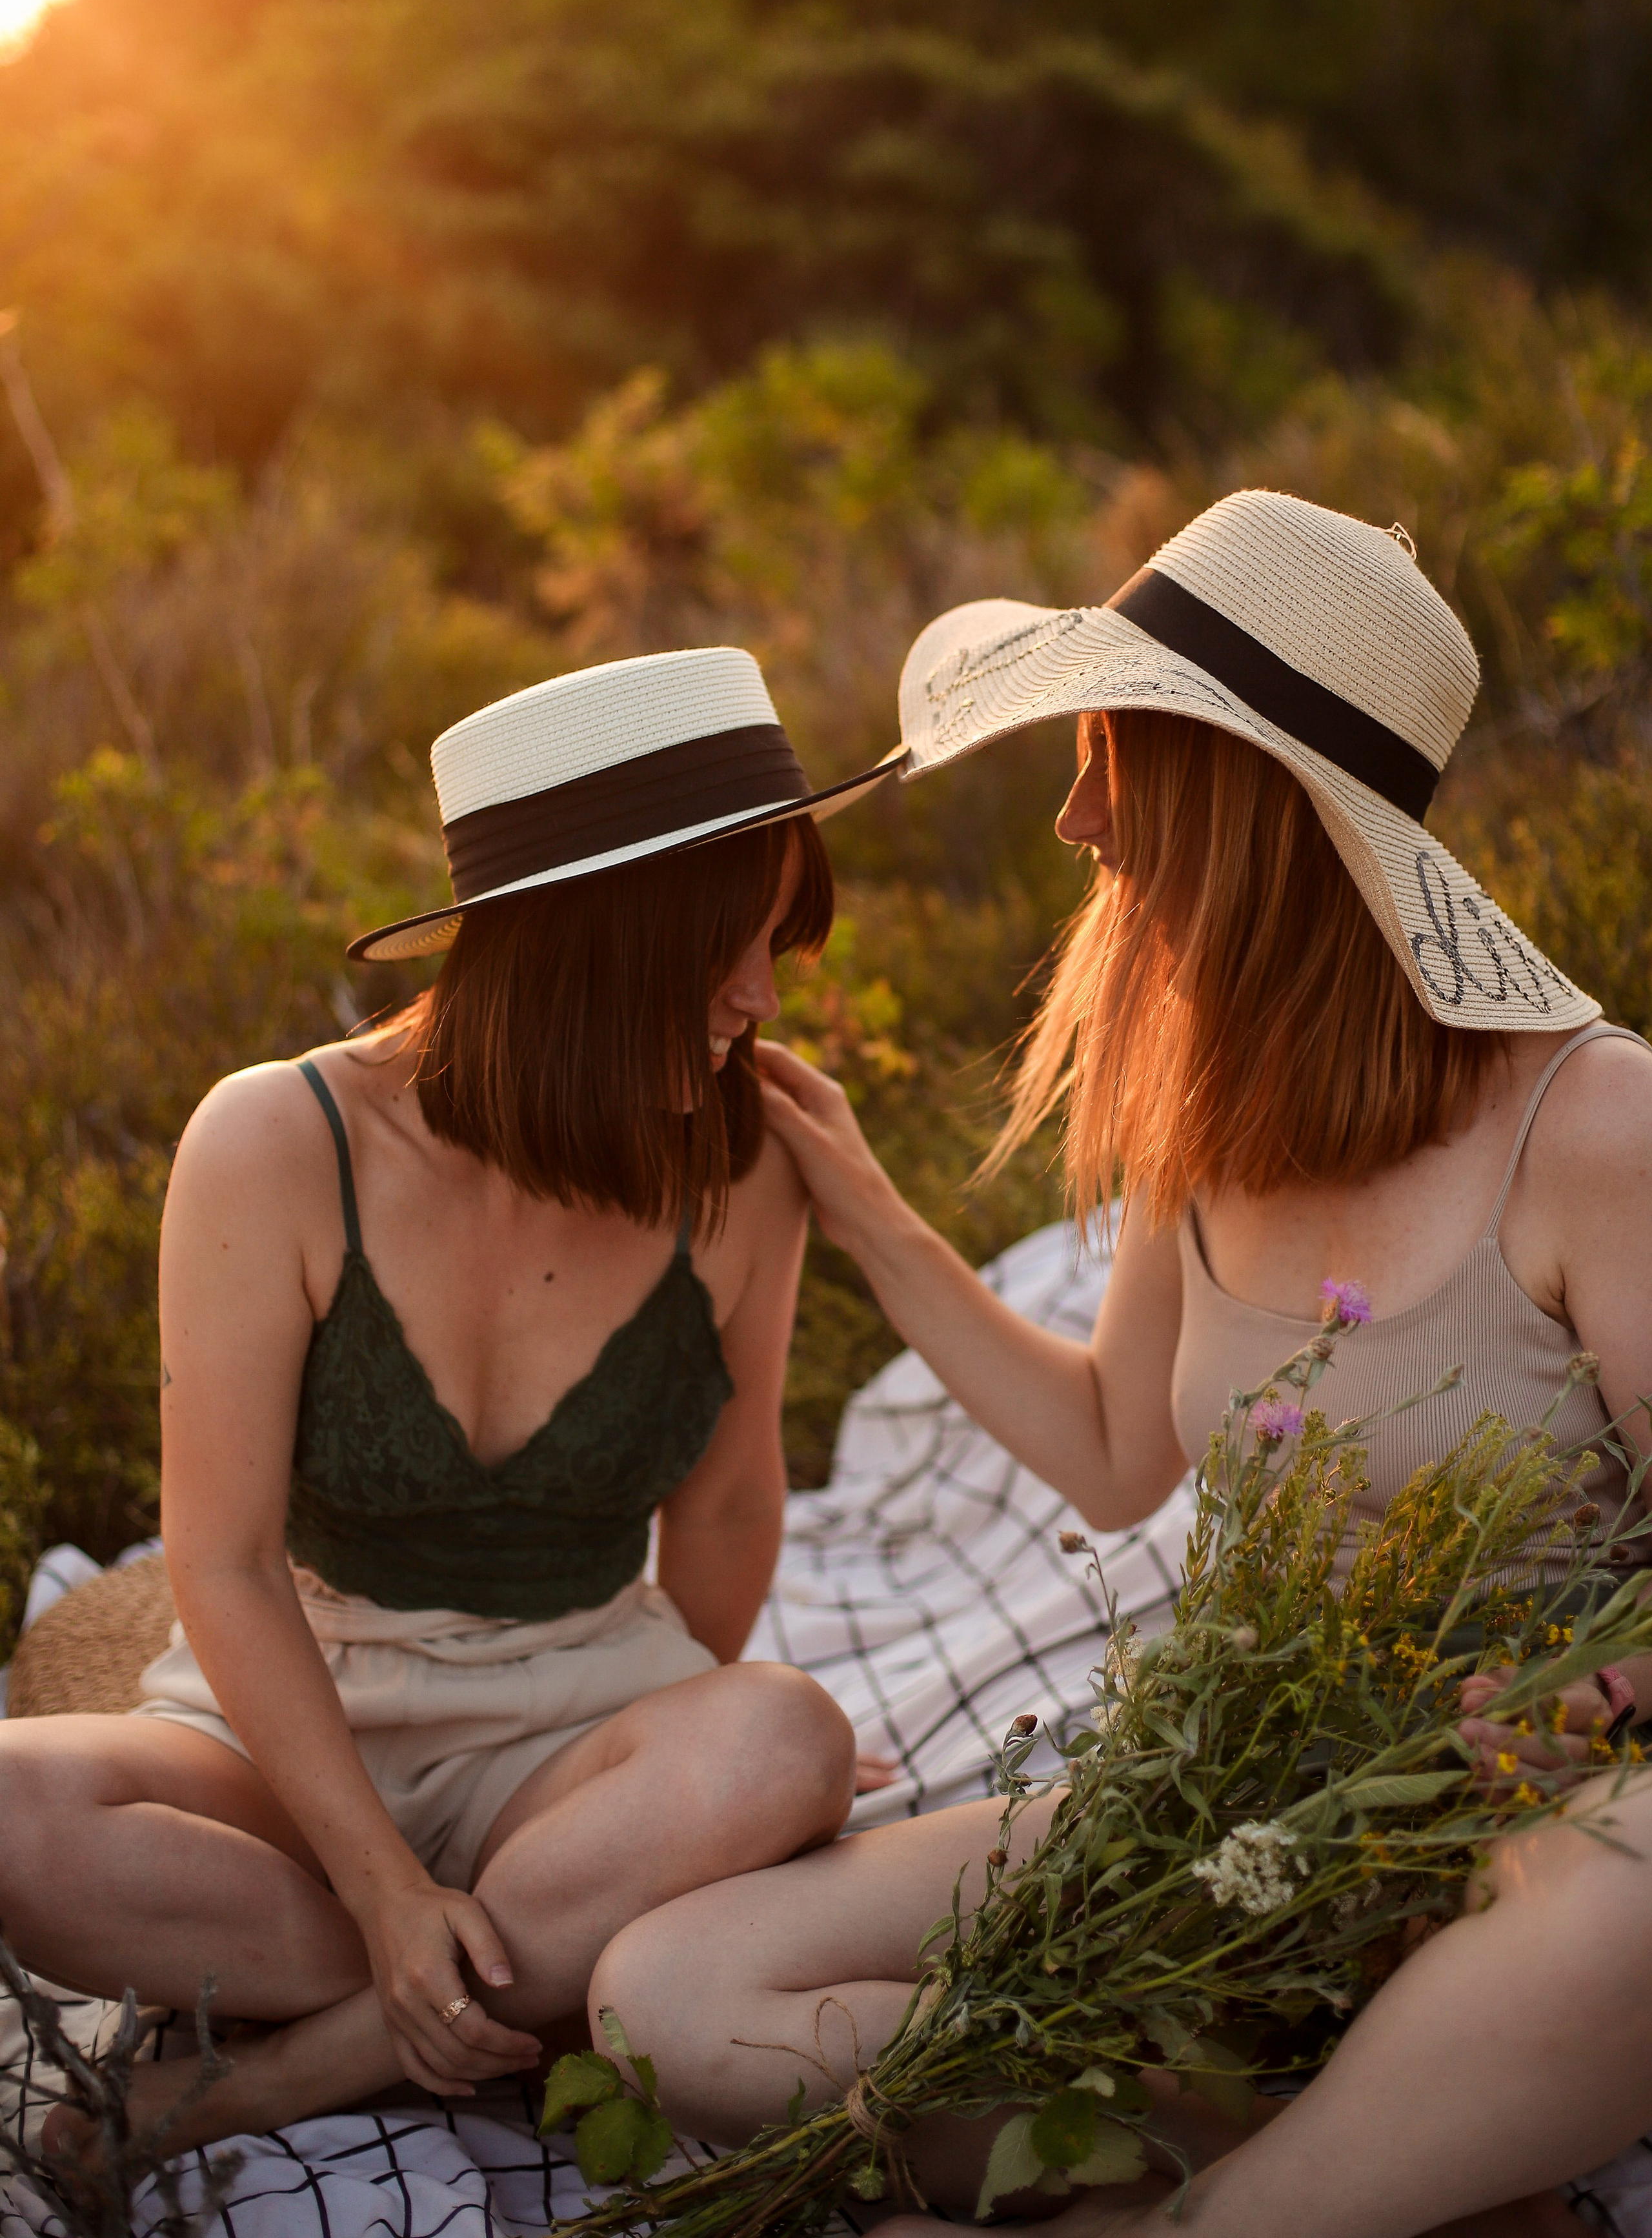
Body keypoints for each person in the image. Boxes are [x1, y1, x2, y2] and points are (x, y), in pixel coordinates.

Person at [590, 493, 1652, 2235]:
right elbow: (1112, 1454)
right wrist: (861, 1207)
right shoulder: (1211, 1115)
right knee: (665, 1997)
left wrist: (1581, 1707)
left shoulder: (1593, 1127)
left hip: (1531, 1824)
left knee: (1641, 1893)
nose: (1076, 815)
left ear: (1247, 807)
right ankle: (1394, 2172)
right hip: (1246, 1798)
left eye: (1111, 756)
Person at [0, 645, 903, 2152]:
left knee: (782, 1739)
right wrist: (383, 1884)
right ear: (581, 944)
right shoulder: (276, 1143)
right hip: (294, 1720)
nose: (759, 997)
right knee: (12, 1819)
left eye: (772, 946)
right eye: (721, 951)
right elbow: (215, 1559)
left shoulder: (737, 1158)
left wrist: (676, 1776)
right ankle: (521, 1974)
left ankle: (306, 2064)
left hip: (576, 1716)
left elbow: (737, 1496)